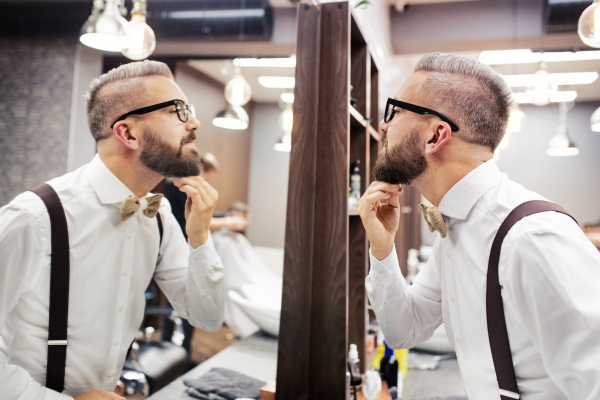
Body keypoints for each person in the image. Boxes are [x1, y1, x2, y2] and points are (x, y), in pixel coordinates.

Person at [359, 53, 600, 399]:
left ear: (435, 135)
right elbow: (404, 330)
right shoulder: (454, 228)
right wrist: (383, 250)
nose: (384, 125)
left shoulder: (532, 238)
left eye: (395, 112)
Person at [0, 60, 226, 399]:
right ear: (128, 133)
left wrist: (200, 238)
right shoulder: (33, 219)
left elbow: (207, 317)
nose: (194, 123)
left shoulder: (160, 215)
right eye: (178, 111)